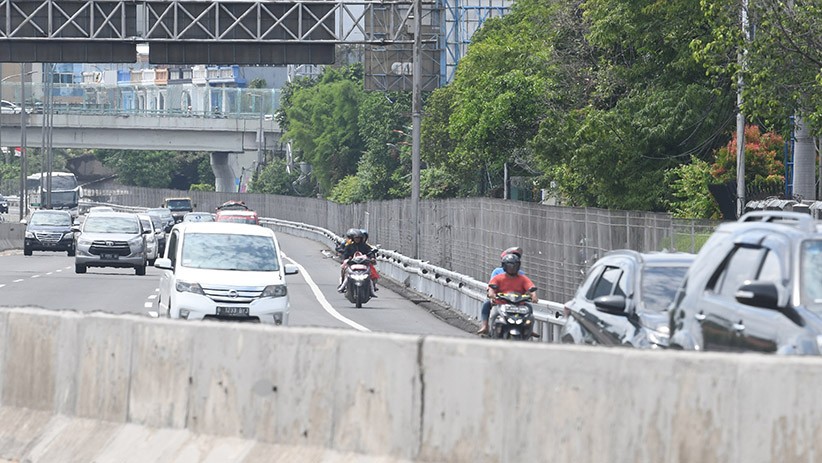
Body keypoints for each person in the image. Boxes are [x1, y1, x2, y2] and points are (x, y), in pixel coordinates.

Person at [477, 250, 536, 335]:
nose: (512, 268)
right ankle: (485, 326)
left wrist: (533, 295)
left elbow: (530, 287)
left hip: (518, 303)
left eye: (514, 266)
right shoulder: (498, 276)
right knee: (488, 307)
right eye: (510, 266)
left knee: (529, 308)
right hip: (501, 302)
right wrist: (492, 293)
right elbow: (491, 286)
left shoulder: (522, 277)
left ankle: (529, 329)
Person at [337, 228, 379, 296]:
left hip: (363, 264)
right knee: (345, 270)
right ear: (353, 238)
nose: (357, 239)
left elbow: (370, 252)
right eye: (356, 238)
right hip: (352, 263)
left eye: (359, 238)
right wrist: (346, 258)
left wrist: (372, 258)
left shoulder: (365, 246)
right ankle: (342, 285)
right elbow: (345, 254)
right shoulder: (349, 246)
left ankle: (372, 288)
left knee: (371, 273)